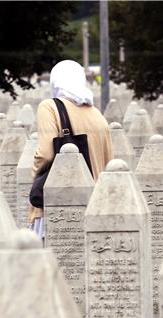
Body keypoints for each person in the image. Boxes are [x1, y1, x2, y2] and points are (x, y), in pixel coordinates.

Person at [29, 60, 113, 236]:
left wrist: (34, 173)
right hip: (93, 204)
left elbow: (45, 154)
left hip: (59, 205)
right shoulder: (97, 114)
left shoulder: (49, 107)